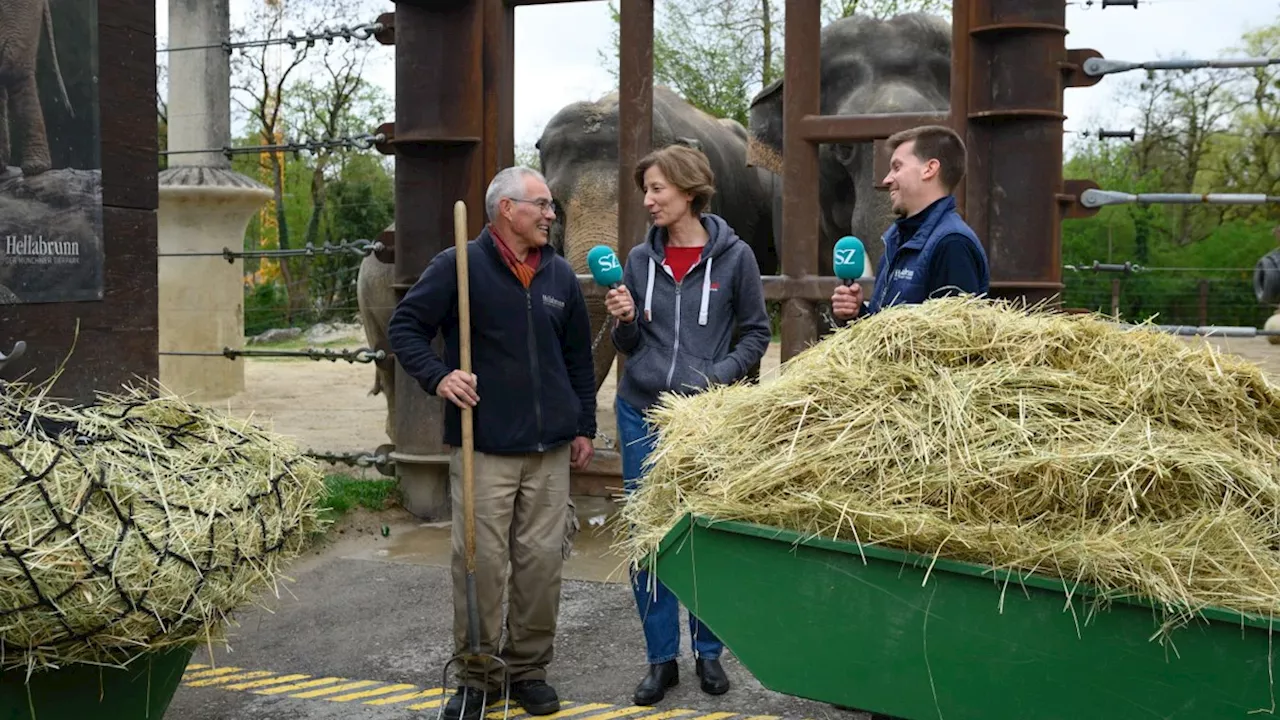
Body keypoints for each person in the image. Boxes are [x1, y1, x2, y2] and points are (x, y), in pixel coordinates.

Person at [387, 166, 597, 720]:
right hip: (484, 448)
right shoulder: (459, 265)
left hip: (550, 449)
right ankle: (478, 676)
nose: (552, 214)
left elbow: (579, 358)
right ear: (507, 209)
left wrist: (583, 425)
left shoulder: (559, 277)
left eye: (551, 206)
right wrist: (440, 376)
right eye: (542, 205)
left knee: (541, 565)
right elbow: (405, 327)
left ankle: (527, 669)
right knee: (479, 565)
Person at [603, 144, 772, 706]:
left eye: (657, 189)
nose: (648, 200)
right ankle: (660, 661)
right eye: (645, 190)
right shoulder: (636, 260)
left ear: (689, 189)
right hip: (641, 411)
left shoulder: (736, 257)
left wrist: (715, 379)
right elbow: (630, 346)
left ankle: (708, 652)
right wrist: (623, 323)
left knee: (704, 534)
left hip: (707, 417)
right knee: (648, 537)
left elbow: (755, 335)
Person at [830, 124, 989, 323]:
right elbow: (890, 335)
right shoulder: (897, 239)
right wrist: (857, 314)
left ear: (929, 169)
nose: (887, 179)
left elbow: (952, 345)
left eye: (897, 167)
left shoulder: (952, 244)